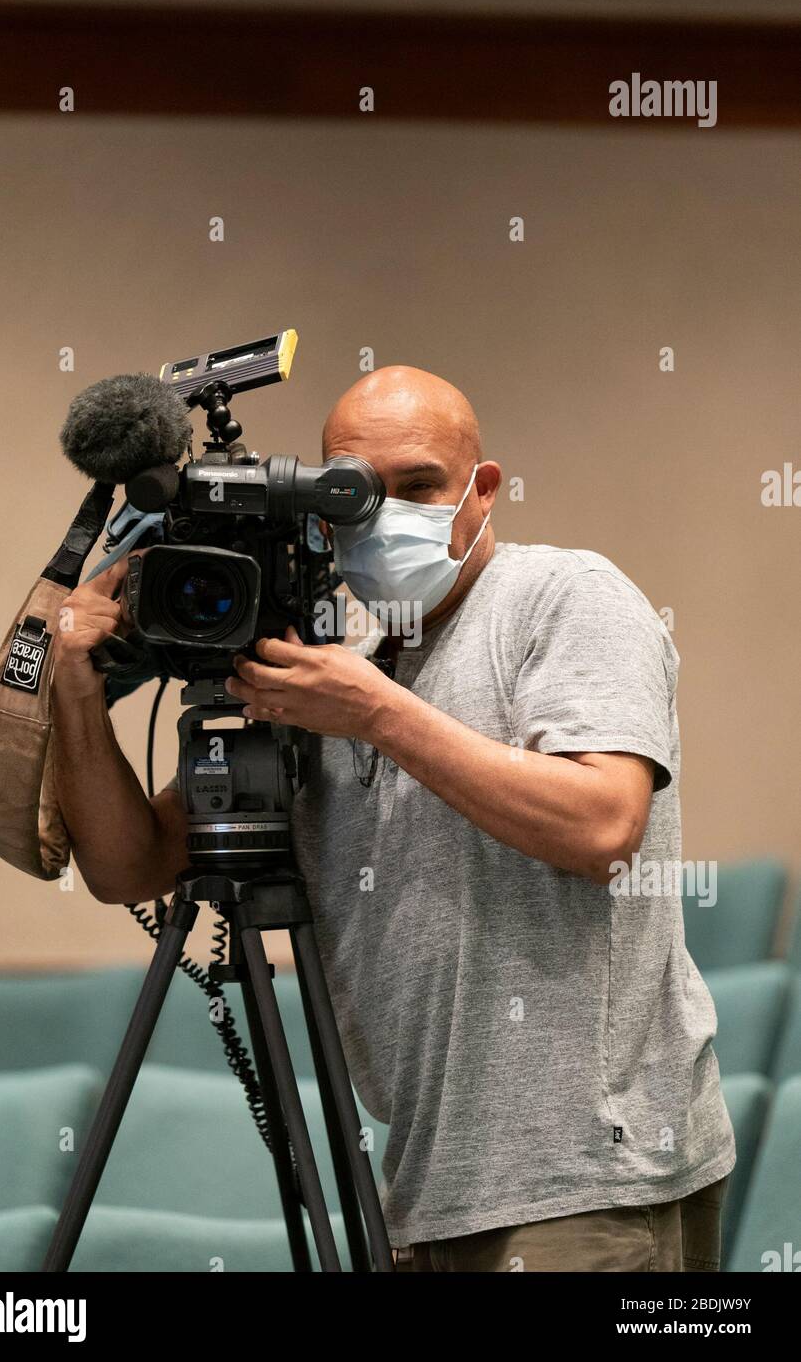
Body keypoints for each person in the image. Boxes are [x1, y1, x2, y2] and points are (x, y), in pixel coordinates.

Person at [52, 365, 736, 1272]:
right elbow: (128, 869)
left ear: (482, 489)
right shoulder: (331, 668)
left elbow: (605, 826)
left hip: (589, 1177)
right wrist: (71, 687)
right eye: (358, 495)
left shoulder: (563, 596)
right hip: (426, 1184)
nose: (385, 518)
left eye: (419, 487)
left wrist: (375, 712)